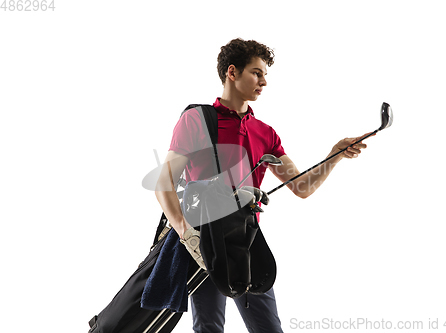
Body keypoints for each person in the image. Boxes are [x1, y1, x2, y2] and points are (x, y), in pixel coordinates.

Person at [155, 38, 371, 333]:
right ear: (232, 72)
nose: (264, 82)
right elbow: (164, 181)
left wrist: (334, 155)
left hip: (245, 238)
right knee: (208, 327)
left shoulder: (265, 133)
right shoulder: (197, 120)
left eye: (265, 74)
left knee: (268, 328)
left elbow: (302, 186)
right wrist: (185, 233)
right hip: (203, 239)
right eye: (257, 73)